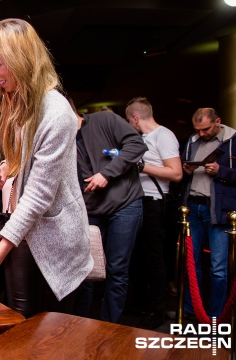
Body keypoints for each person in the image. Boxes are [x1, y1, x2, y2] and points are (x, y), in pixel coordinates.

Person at [0, 18, 93, 318]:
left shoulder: (57, 112)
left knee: (52, 331)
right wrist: (7, 170)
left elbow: (37, 197)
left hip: (56, 239)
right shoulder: (17, 104)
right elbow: (25, 162)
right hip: (24, 233)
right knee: (20, 321)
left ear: (21, 58)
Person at [69, 99, 147, 324]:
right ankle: (80, 326)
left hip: (125, 205)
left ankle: (109, 326)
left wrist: (107, 173)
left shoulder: (104, 119)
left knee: (116, 269)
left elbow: (136, 144)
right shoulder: (60, 139)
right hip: (91, 209)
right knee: (85, 270)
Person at [125, 97, 182, 328]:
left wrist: (140, 166)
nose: (130, 125)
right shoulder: (141, 138)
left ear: (136, 118)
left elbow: (176, 173)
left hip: (154, 203)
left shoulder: (164, 135)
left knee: (154, 259)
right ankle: (139, 305)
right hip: (139, 200)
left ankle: (157, 310)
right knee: (137, 258)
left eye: (129, 121)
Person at [181, 108, 236, 318]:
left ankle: (216, 317)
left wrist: (222, 172)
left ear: (218, 122)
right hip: (193, 207)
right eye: (198, 130)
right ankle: (190, 312)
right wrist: (185, 172)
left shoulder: (233, 140)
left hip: (219, 209)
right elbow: (181, 176)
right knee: (191, 265)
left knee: (218, 269)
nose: (201, 134)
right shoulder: (192, 142)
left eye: (205, 129)